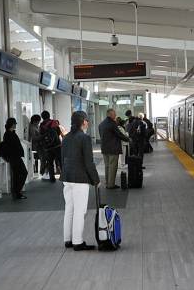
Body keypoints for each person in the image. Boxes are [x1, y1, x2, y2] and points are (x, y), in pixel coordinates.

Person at [61, 110, 100, 251]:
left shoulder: (66, 137)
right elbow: (89, 162)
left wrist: (64, 174)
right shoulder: (84, 138)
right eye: (87, 120)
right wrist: (96, 179)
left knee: (69, 209)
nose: (88, 123)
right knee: (79, 210)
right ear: (83, 122)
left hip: (67, 177)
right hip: (80, 179)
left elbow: (62, 159)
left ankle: (68, 240)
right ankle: (78, 242)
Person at [0, 117, 28, 201]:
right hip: (14, 158)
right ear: (12, 124)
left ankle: (17, 192)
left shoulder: (11, 133)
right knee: (21, 174)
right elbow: (11, 147)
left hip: (16, 157)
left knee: (18, 174)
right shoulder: (8, 134)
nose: (15, 125)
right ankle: (17, 192)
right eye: (15, 124)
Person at [99, 107, 127, 190]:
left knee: (107, 166)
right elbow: (119, 134)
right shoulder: (112, 123)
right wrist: (128, 139)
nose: (115, 115)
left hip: (104, 148)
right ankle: (111, 185)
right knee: (113, 167)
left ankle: (108, 183)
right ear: (110, 114)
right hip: (113, 149)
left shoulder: (101, 124)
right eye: (114, 114)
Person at [38, 115, 63, 181]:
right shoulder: (54, 122)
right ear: (49, 116)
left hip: (48, 148)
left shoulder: (42, 125)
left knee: (50, 163)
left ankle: (52, 178)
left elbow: (41, 135)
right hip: (57, 146)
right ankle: (63, 176)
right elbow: (59, 132)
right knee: (60, 161)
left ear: (42, 117)